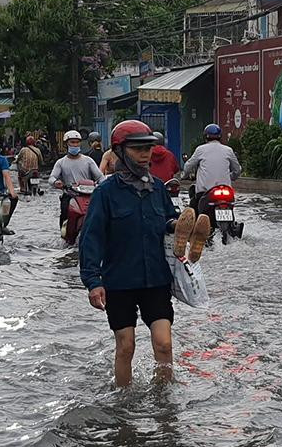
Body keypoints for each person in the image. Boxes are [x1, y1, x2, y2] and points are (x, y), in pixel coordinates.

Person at [79, 119, 204, 387]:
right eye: (137, 149)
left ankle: (164, 399)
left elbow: (167, 220)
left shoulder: (158, 188)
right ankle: (123, 401)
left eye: (148, 148)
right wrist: (93, 281)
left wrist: (176, 225)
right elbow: (91, 239)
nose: (145, 154)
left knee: (164, 344)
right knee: (126, 347)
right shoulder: (105, 193)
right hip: (119, 282)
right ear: (120, 151)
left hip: (156, 280)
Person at [50, 129, 103, 229]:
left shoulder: (88, 161)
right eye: (72, 142)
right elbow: (52, 178)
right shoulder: (61, 162)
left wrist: (101, 185)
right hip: (70, 195)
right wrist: (56, 182)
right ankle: (65, 232)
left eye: (77, 142)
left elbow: (100, 177)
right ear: (66, 144)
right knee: (65, 211)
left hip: (88, 195)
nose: (75, 145)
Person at [182, 124, 242, 209]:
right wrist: (230, 177)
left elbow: (188, 167)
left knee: (194, 208)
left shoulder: (200, 150)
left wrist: (184, 175)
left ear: (205, 137)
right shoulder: (228, 150)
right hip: (226, 192)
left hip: (204, 192)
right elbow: (237, 170)